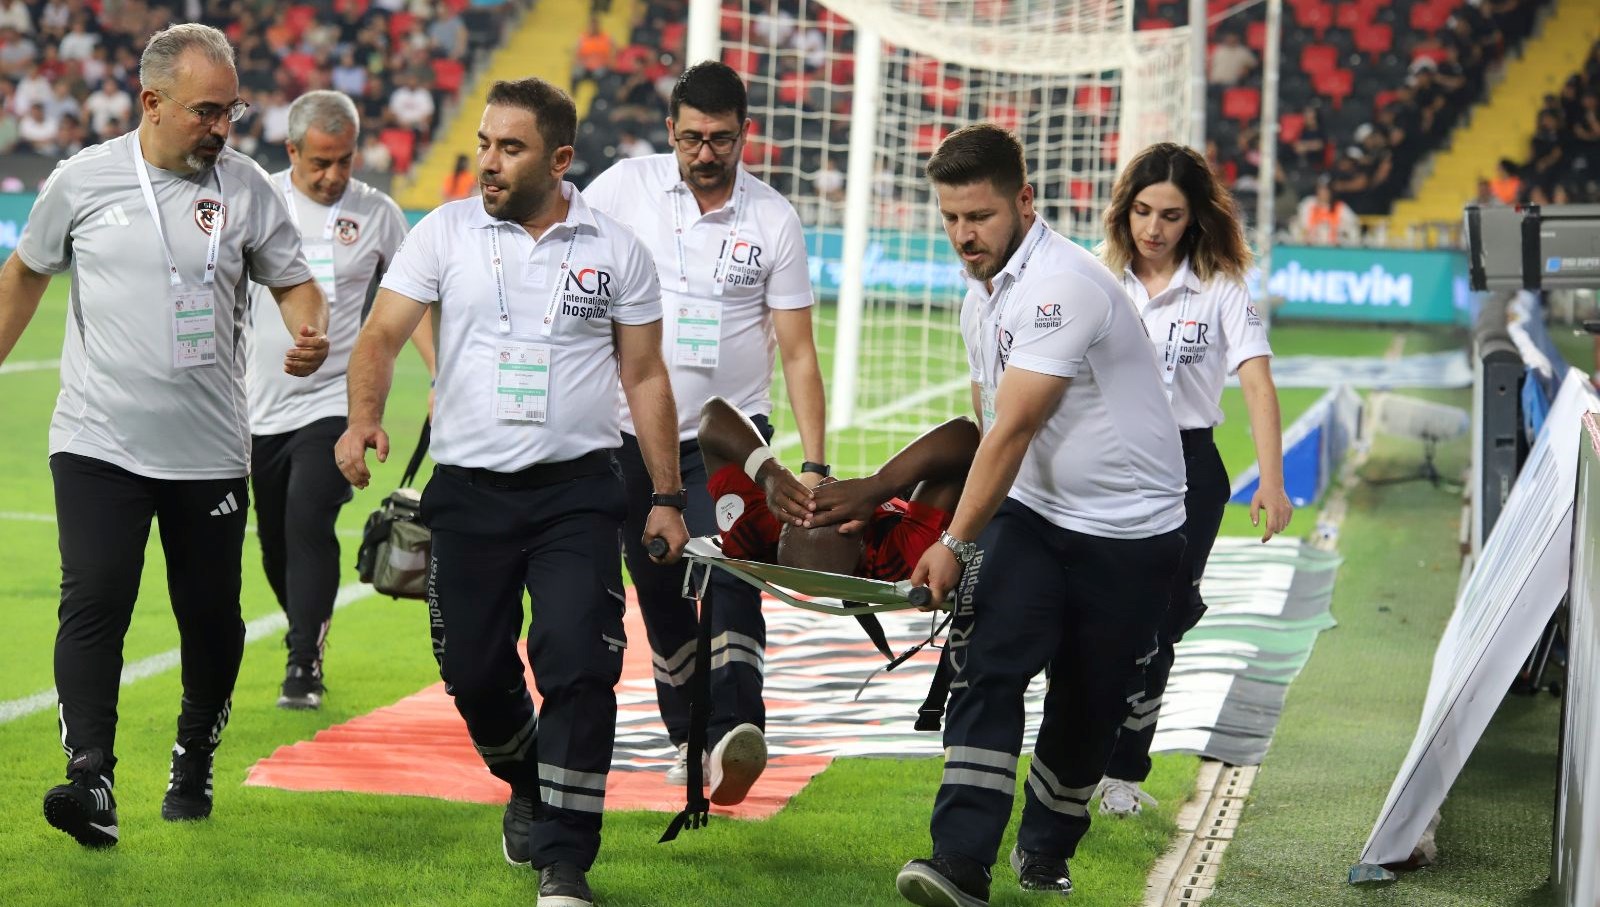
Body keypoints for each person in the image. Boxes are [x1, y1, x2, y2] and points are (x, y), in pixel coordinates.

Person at [334, 77, 687, 907]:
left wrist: (666, 494)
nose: (487, 162)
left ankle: (566, 862)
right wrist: (362, 420)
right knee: (471, 667)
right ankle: (529, 777)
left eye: (510, 148)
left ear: (560, 159)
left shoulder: (616, 250)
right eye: (486, 143)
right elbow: (381, 333)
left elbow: (644, 375)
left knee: (576, 660)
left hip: (576, 494)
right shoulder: (444, 233)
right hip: (468, 492)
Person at [0, 23, 327, 848]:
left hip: (211, 448)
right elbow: (25, 275)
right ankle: (92, 778)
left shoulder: (248, 187)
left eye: (233, 112)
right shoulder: (83, 181)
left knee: (211, 618)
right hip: (97, 439)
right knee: (94, 599)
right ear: (152, 102)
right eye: (206, 112)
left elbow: (295, 282)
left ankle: (192, 760)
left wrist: (309, 330)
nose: (222, 128)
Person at [891, 124, 1187, 905]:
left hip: (1131, 531)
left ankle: (1047, 846)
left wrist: (955, 541)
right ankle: (958, 861)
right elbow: (989, 425)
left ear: (1025, 201)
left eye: (980, 217)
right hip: (1034, 515)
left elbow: (1014, 429)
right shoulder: (980, 295)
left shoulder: (1064, 285)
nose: (963, 236)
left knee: (1087, 704)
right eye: (951, 218)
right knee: (988, 667)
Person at [581, 60, 826, 804]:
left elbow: (798, 349)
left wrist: (814, 462)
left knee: (734, 569)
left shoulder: (773, 219)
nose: (706, 152)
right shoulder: (622, 188)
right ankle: (693, 733)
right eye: (692, 137)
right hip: (627, 435)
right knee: (656, 587)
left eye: (721, 138)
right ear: (671, 132)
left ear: (745, 133)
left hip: (731, 437)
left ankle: (736, 727)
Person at [1096, 142, 1292, 817]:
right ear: (1125, 212)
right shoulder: (1099, 281)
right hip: (1106, 463)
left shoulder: (1223, 288)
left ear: (1194, 218)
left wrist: (1272, 480)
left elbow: (1259, 386)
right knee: (1096, 618)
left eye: (1170, 215)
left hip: (1190, 471)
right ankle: (1078, 755)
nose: (1153, 228)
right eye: (1143, 211)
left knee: (1160, 625)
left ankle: (1123, 773)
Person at [245, 89, 426, 710]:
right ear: (292, 150)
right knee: (273, 541)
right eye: (320, 162)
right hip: (252, 405)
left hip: (332, 402)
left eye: (344, 160)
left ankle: (302, 665)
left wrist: (441, 377)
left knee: (306, 518)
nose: (333, 175)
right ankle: (305, 631)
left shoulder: (376, 214)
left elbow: (414, 300)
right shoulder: (255, 199)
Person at [702, 395, 976, 583]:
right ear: (862, 540)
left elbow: (713, 413)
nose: (826, 483)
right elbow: (967, 435)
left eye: (806, 501)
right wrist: (876, 487)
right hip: (916, 500)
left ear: (783, 525)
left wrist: (769, 474)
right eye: (830, 505)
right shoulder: (898, 556)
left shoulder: (753, 532)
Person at [1293, 175, 1360, 245]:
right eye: (1320, 188)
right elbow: (1300, 225)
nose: (1323, 192)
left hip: (1334, 249)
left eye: (1326, 189)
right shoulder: (1308, 204)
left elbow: (1354, 224)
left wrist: (1340, 230)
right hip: (1310, 248)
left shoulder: (1340, 207)